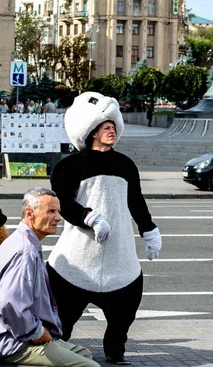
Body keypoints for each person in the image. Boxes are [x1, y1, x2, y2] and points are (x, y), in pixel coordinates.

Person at [47, 92, 162, 365]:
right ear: (92, 131)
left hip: (118, 257)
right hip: (77, 259)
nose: (112, 130)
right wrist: (88, 217)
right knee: (63, 315)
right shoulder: (69, 165)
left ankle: (115, 349)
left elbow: (136, 200)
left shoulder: (125, 165)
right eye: (105, 126)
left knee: (125, 309)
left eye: (113, 126)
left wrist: (149, 230)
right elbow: (60, 202)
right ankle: (56, 349)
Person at [0, 187, 99, 367]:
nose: (58, 218)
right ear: (30, 213)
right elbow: (9, 303)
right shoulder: (24, 251)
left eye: (58, 211)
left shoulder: (25, 241)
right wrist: (35, 332)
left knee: (84, 353)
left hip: (16, 337)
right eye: (51, 211)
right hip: (14, 344)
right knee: (90, 366)